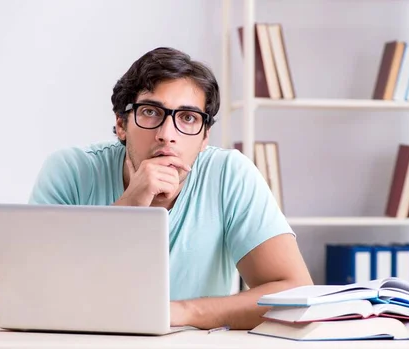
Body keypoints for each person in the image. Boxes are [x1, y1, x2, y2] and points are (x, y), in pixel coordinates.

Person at [28, 47, 313, 330]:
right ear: (121, 124)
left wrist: (182, 313)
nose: (167, 135)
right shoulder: (70, 171)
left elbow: (293, 294)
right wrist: (129, 206)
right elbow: (31, 291)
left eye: (188, 118)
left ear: (204, 137)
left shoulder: (230, 175)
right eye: (150, 112)